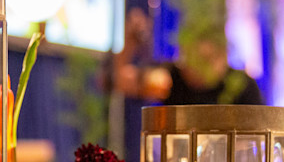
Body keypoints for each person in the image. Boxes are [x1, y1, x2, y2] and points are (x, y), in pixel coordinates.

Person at [113, 8, 263, 106]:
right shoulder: (170, 79)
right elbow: (122, 81)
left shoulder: (242, 86)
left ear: (223, 54)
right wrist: (129, 43)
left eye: (209, 59)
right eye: (196, 59)